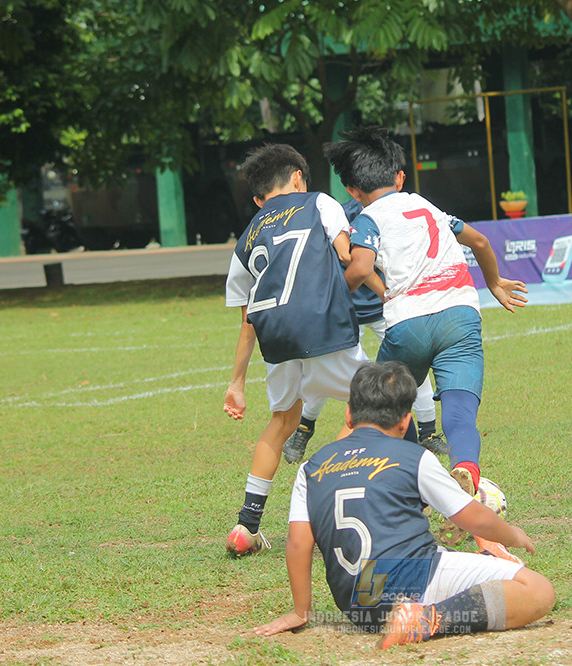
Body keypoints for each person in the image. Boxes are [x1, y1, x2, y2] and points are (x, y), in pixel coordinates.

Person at [253, 362, 554, 649]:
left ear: (348, 415)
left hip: (357, 605)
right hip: (414, 580)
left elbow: (298, 544)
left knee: (449, 561)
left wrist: (301, 611)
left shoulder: (310, 467)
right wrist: (511, 534)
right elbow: (471, 516)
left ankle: (460, 581)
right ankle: (425, 619)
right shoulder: (414, 457)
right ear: (406, 421)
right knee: (537, 590)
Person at [325, 126, 528, 546]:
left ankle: (412, 490)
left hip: (408, 321)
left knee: (385, 406)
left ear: (351, 189)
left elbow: (361, 269)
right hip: (460, 313)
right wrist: (493, 283)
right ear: (400, 177)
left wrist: (326, 300)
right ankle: (467, 470)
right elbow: (481, 240)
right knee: (458, 411)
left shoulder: (366, 218)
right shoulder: (427, 206)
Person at [222, 144, 371, 556]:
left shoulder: (247, 236)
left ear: (258, 199)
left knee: (282, 420)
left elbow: (248, 318)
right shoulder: (319, 202)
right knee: (381, 405)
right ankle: (329, 494)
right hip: (323, 326)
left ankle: (245, 525)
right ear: (299, 178)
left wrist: (236, 383)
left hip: (277, 339)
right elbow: (346, 254)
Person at [281, 198, 447, 465]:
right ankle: (304, 429)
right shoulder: (341, 214)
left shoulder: (395, 212)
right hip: (349, 308)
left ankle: (428, 432)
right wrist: (384, 294)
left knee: (414, 366)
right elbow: (358, 264)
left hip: (386, 307)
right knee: (325, 375)